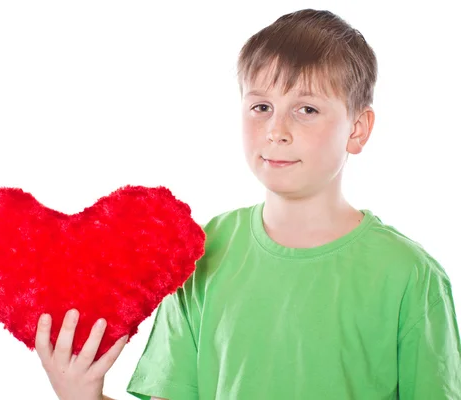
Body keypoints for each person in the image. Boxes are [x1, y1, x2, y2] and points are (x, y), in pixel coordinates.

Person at [34, 8, 461, 400]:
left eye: (307, 109)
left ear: (358, 129)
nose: (276, 130)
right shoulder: (203, 253)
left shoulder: (410, 276)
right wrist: (82, 395)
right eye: (261, 106)